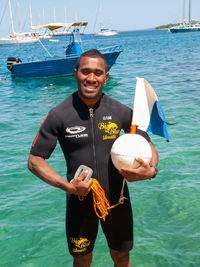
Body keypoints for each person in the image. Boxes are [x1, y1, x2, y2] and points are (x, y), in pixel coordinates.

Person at [28, 49, 159, 267]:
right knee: (82, 261)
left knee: (122, 258)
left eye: (98, 73)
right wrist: (68, 187)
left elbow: (148, 146)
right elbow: (35, 161)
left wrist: (151, 170)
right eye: (85, 71)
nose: (91, 78)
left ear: (105, 77)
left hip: (117, 202)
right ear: (75, 73)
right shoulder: (59, 114)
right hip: (79, 204)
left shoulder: (121, 111)